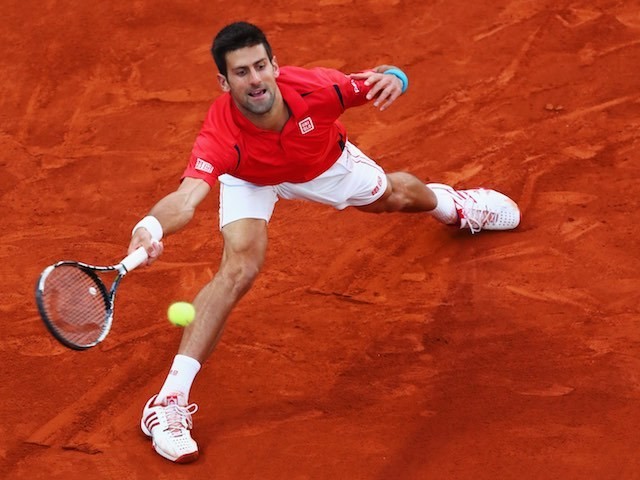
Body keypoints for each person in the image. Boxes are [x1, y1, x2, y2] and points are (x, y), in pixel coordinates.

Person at [130, 21, 520, 463]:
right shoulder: (221, 134)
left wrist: (397, 77)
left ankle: (455, 208)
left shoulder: (320, 88)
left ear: (275, 66)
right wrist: (151, 227)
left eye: (261, 66)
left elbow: (380, 76)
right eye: (241, 72)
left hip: (321, 164)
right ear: (224, 81)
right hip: (251, 177)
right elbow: (186, 197)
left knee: (394, 197)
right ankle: (167, 404)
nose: (255, 80)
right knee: (238, 269)